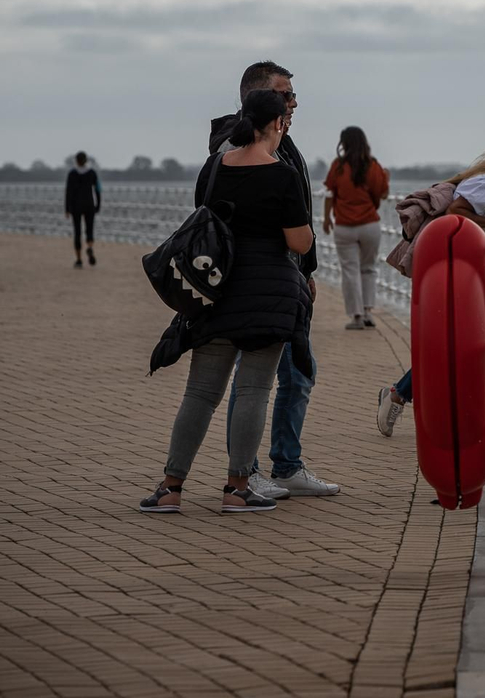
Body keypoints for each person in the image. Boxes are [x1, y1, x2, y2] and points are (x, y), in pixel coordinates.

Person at [140, 90, 315, 514]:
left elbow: (205, 217)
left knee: (200, 393)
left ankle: (170, 487)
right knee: (254, 390)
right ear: (278, 124)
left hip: (216, 291)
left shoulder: (215, 167)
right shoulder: (283, 175)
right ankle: (237, 489)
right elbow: (299, 241)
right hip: (268, 294)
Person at [202, 60, 339, 499]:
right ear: (256, 97)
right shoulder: (235, 147)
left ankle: (287, 465)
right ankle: (245, 472)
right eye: (285, 94)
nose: (293, 103)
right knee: (250, 383)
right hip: (256, 284)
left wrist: (307, 271)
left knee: (298, 374)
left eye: (293, 95)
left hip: (288, 280)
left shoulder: (285, 144)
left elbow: (297, 212)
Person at [377, 141, 485, 437]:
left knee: (455, 348)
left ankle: (406, 396)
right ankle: (399, 395)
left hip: (462, 274)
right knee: (453, 348)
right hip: (453, 273)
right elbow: (456, 212)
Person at [323, 126, 390, 331]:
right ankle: (368, 311)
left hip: (344, 226)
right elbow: (383, 194)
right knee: (368, 268)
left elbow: (329, 194)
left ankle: (357, 316)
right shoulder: (373, 166)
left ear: (344, 143)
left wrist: (326, 218)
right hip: (370, 225)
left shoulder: (338, 166)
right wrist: (385, 178)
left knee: (350, 271)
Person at [64, 151, 101, 268]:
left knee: (77, 232)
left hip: (76, 206)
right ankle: (89, 247)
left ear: (76, 161)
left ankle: (79, 259)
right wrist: (98, 204)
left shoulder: (72, 174)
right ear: (86, 160)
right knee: (89, 229)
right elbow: (98, 189)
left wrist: (67, 208)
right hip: (89, 204)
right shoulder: (92, 173)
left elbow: (68, 192)